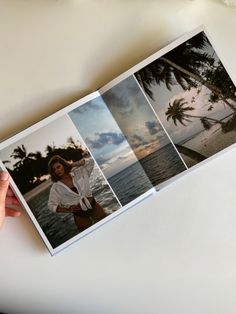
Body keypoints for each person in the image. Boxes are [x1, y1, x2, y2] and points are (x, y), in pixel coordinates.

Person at [47, 155, 106, 231]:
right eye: (54, 170)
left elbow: (91, 162)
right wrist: (68, 210)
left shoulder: (79, 172)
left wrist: (71, 165)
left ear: (63, 165)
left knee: (108, 223)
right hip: (79, 214)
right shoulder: (56, 187)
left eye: (58, 167)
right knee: (89, 235)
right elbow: (51, 205)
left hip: (93, 205)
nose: (57, 171)